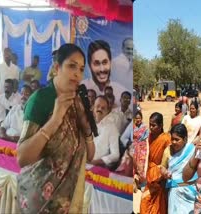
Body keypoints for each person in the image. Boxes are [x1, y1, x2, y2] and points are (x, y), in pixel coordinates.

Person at [16, 44, 95, 213]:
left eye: (81, 69)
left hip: (68, 201)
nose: (77, 74)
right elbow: (22, 158)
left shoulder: (78, 102)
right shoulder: (41, 99)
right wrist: (55, 120)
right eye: (71, 66)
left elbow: (89, 156)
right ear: (57, 67)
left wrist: (86, 128)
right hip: (39, 201)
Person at [160, 124, 198, 214]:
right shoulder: (168, 150)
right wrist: (164, 173)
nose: (173, 142)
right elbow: (162, 166)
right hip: (175, 192)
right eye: (172, 139)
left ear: (185, 139)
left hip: (191, 192)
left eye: (177, 139)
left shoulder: (192, 150)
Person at [81, 40, 128, 108]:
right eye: (96, 63)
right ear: (89, 65)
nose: (102, 69)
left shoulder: (121, 92)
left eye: (105, 62)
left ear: (110, 63)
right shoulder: (81, 88)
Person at [140, 112, 170, 214]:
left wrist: (162, 176)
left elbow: (168, 159)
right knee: (145, 203)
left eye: (154, 125)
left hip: (160, 177)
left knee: (158, 206)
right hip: (150, 174)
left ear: (161, 125)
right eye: (150, 125)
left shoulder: (166, 139)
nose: (151, 128)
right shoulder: (149, 136)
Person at [90, 95, 120, 169]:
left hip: (98, 168)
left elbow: (115, 155)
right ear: (92, 108)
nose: (100, 109)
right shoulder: (85, 123)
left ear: (107, 111)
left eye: (103, 108)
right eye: (98, 106)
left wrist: (96, 162)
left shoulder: (111, 127)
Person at [133, 111, 149, 192]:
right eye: (136, 118)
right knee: (133, 166)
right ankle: (135, 182)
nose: (138, 119)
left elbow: (145, 138)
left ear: (141, 118)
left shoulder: (145, 127)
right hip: (134, 148)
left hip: (142, 149)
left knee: (141, 166)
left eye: (139, 118)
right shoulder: (132, 127)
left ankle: (142, 183)